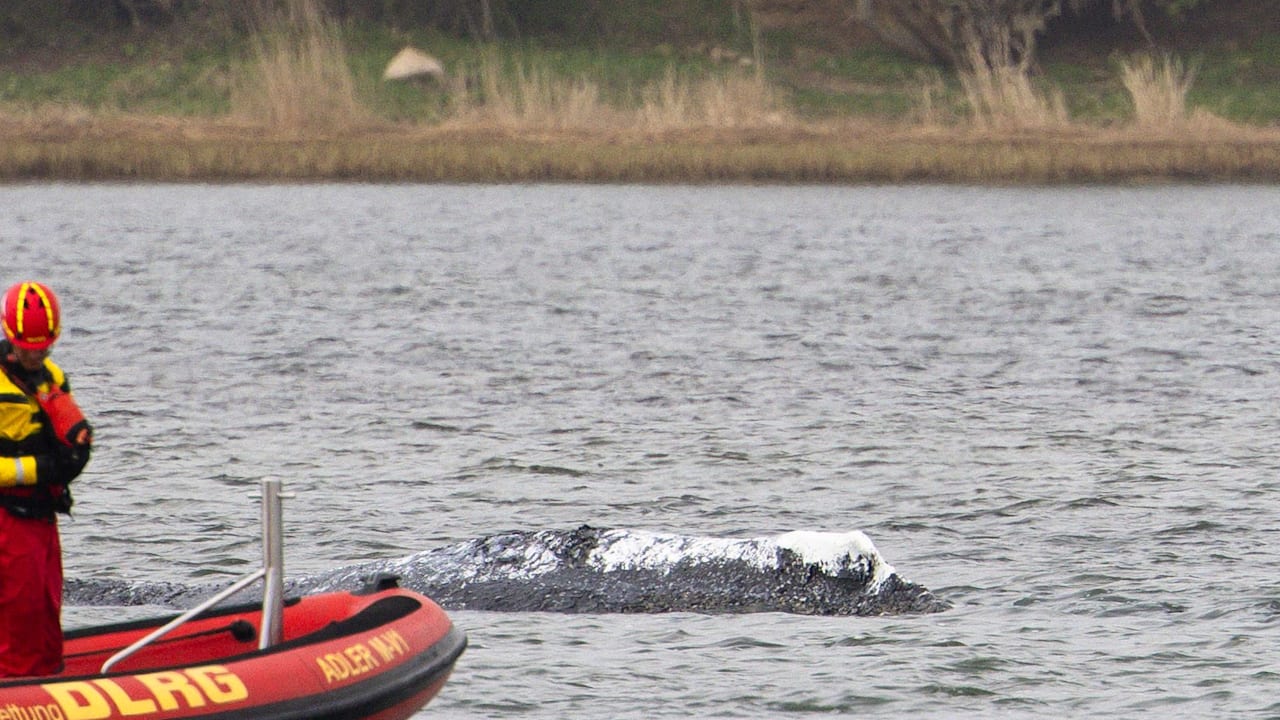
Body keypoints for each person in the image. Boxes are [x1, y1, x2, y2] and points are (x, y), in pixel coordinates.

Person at [0, 281, 91, 677]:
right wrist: (41, 469)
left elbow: (69, 442)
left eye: (43, 348)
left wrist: (73, 450)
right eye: (26, 349)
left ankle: (49, 678)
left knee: (46, 604)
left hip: (43, 515)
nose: (35, 357)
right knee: (17, 610)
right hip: (7, 517)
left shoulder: (52, 378)